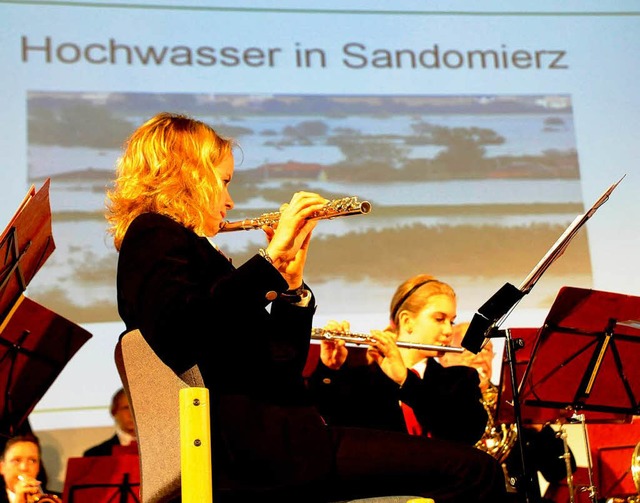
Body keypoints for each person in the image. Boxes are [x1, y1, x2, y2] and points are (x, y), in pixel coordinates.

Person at [104, 112, 508, 503]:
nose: (229, 200)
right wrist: (268, 260)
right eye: (224, 181)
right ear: (188, 175)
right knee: (475, 472)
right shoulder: (153, 234)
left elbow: (280, 364)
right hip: (258, 455)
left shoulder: (186, 250)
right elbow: (179, 335)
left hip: (279, 445)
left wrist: (292, 289)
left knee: (468, 470)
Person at [307, 274, 488, 446]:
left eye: (452, 321)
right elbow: (322, 423)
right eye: (439, 319)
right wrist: (329, 370)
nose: (449, 331)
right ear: (407, 321)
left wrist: (406, 381)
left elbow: (466, 433)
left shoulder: (460, 379)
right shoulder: (362, 379)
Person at [441, 322, 576, 502]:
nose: (480, 358)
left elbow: (559, 471)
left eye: (487, 350)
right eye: (470, 350)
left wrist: (540, 429)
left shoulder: (512, 403)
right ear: (444, 357)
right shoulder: (435, 406)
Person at [0, 434, 60, 503]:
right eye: (16, 460)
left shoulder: (57, 499)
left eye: (32, 461)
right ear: (2, 467)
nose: (24, 468)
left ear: (38, 467)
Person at [83, 388, 137, 457]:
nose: (133, 414)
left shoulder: (154, 448)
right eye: (126, 408)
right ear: (114, 412)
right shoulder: (94, 455)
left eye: (137, 408)